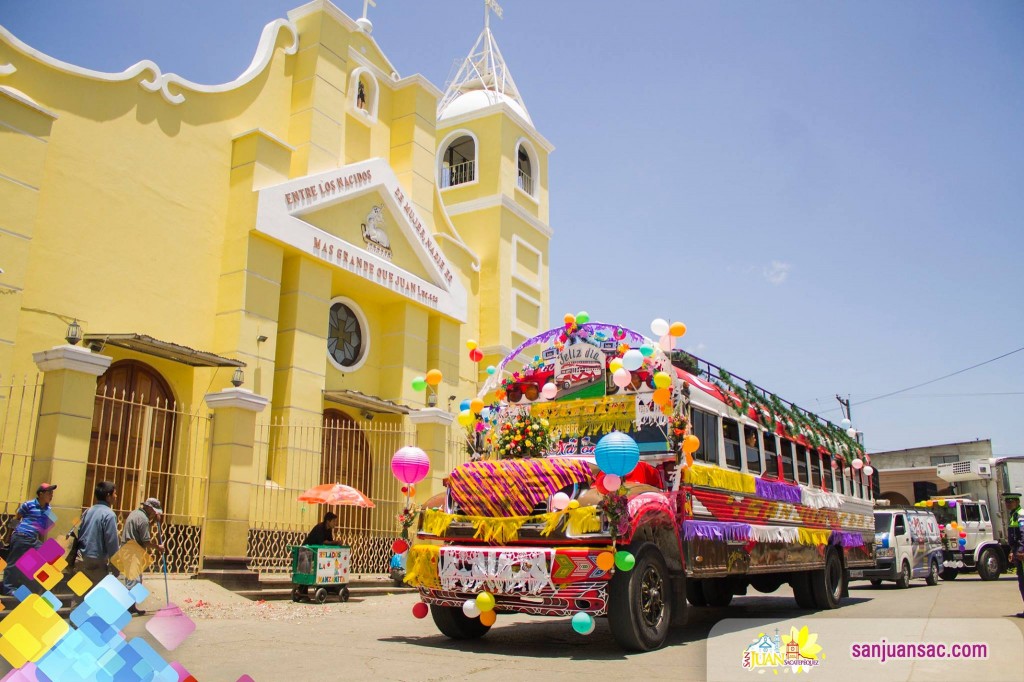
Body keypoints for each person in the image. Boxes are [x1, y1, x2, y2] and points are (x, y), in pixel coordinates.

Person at [2, 483, 57, 596]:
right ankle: (8, 588)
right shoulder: (28, 504)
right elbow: (16, 519)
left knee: (48, 556)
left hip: (33, 539)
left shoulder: (49, 509)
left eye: (52, 493)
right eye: (49, 493)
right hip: (21, 535)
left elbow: (43, 529)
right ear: (41, 494)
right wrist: (8, 536)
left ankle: (25, 581)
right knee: (13, 563)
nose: (51, 495)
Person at [121, 497, 164, 615]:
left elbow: (141, 529)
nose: (155, 513)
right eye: (154, 511)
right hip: (133, 551)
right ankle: (126, 608)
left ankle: (131, 607)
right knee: (134, 581)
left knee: (133, 579)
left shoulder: (135, 513)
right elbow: (146, 542)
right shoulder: (143, 519)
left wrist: (154, 521)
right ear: (149, 508)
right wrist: (158, 547)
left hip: (127, 548)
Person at [77, 481, 121, 590]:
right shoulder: (109, 515)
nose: (116, 496)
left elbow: (79, 531)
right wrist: (115, 565)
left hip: (82, 558)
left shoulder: (87, 511)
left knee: (80, 594)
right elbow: (111, 541)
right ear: (108, 496)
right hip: (97, 561)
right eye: (114, 493)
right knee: (97, 596)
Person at [1004, 493, 1023, 618]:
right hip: (1017, 550)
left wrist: (1021, 550)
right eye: (1006, 502)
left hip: (1022, 552)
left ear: (1016, 502)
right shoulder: (1013, 515)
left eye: (1010, 502)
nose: (1007, 504)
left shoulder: (1020, 514)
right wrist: (1012, 551)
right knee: (1021, 581)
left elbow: (1023, 534)